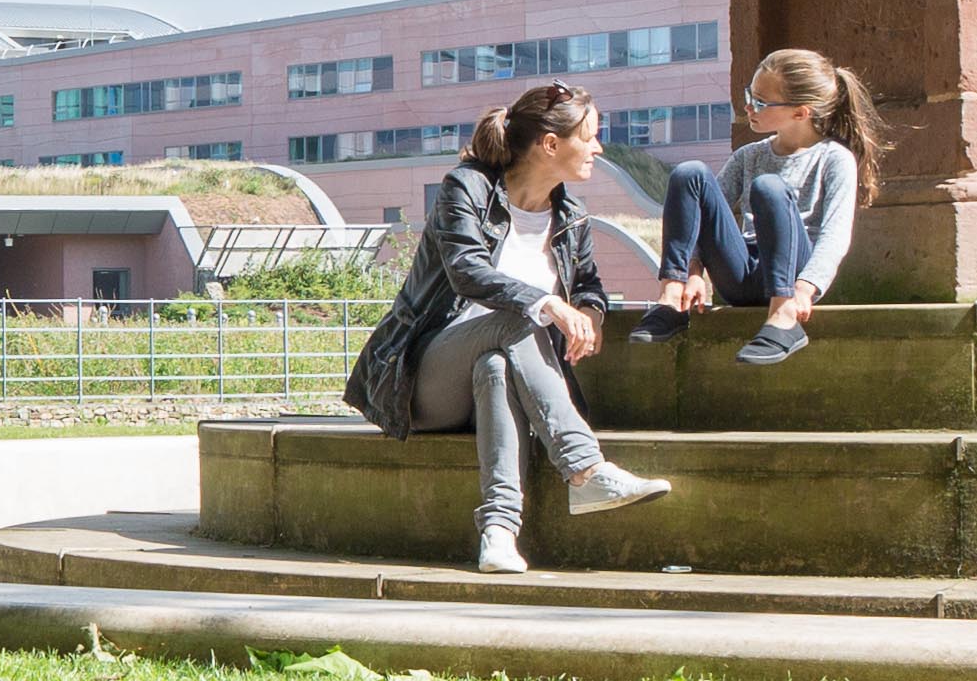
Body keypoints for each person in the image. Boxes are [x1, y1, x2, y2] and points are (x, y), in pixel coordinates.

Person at [339, 81, 668, 573]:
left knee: (495, 364)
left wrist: (590, 318)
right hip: (421, 377)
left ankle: (497, 533)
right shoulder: (468, 187)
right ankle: (585, 469)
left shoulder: (570, 216)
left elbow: (591, 288)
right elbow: (468, 272)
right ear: (550, 144)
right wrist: (550, 305)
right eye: (591, 136)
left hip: (498, 375)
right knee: (515, 320)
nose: (599, 148)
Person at [650, 47, 879, 367]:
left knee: (768, 187)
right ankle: (672, 296)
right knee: (690, 174)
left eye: (760, 101)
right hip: (743, 274)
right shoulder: (749, 155)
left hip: (792, 276)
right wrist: (695, 271)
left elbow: (835, 235)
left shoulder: (833, 158)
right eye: (749, 94)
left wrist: (805, 289)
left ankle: (783, 316)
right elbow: (702, 217)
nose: (748, 106)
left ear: (801, 112)